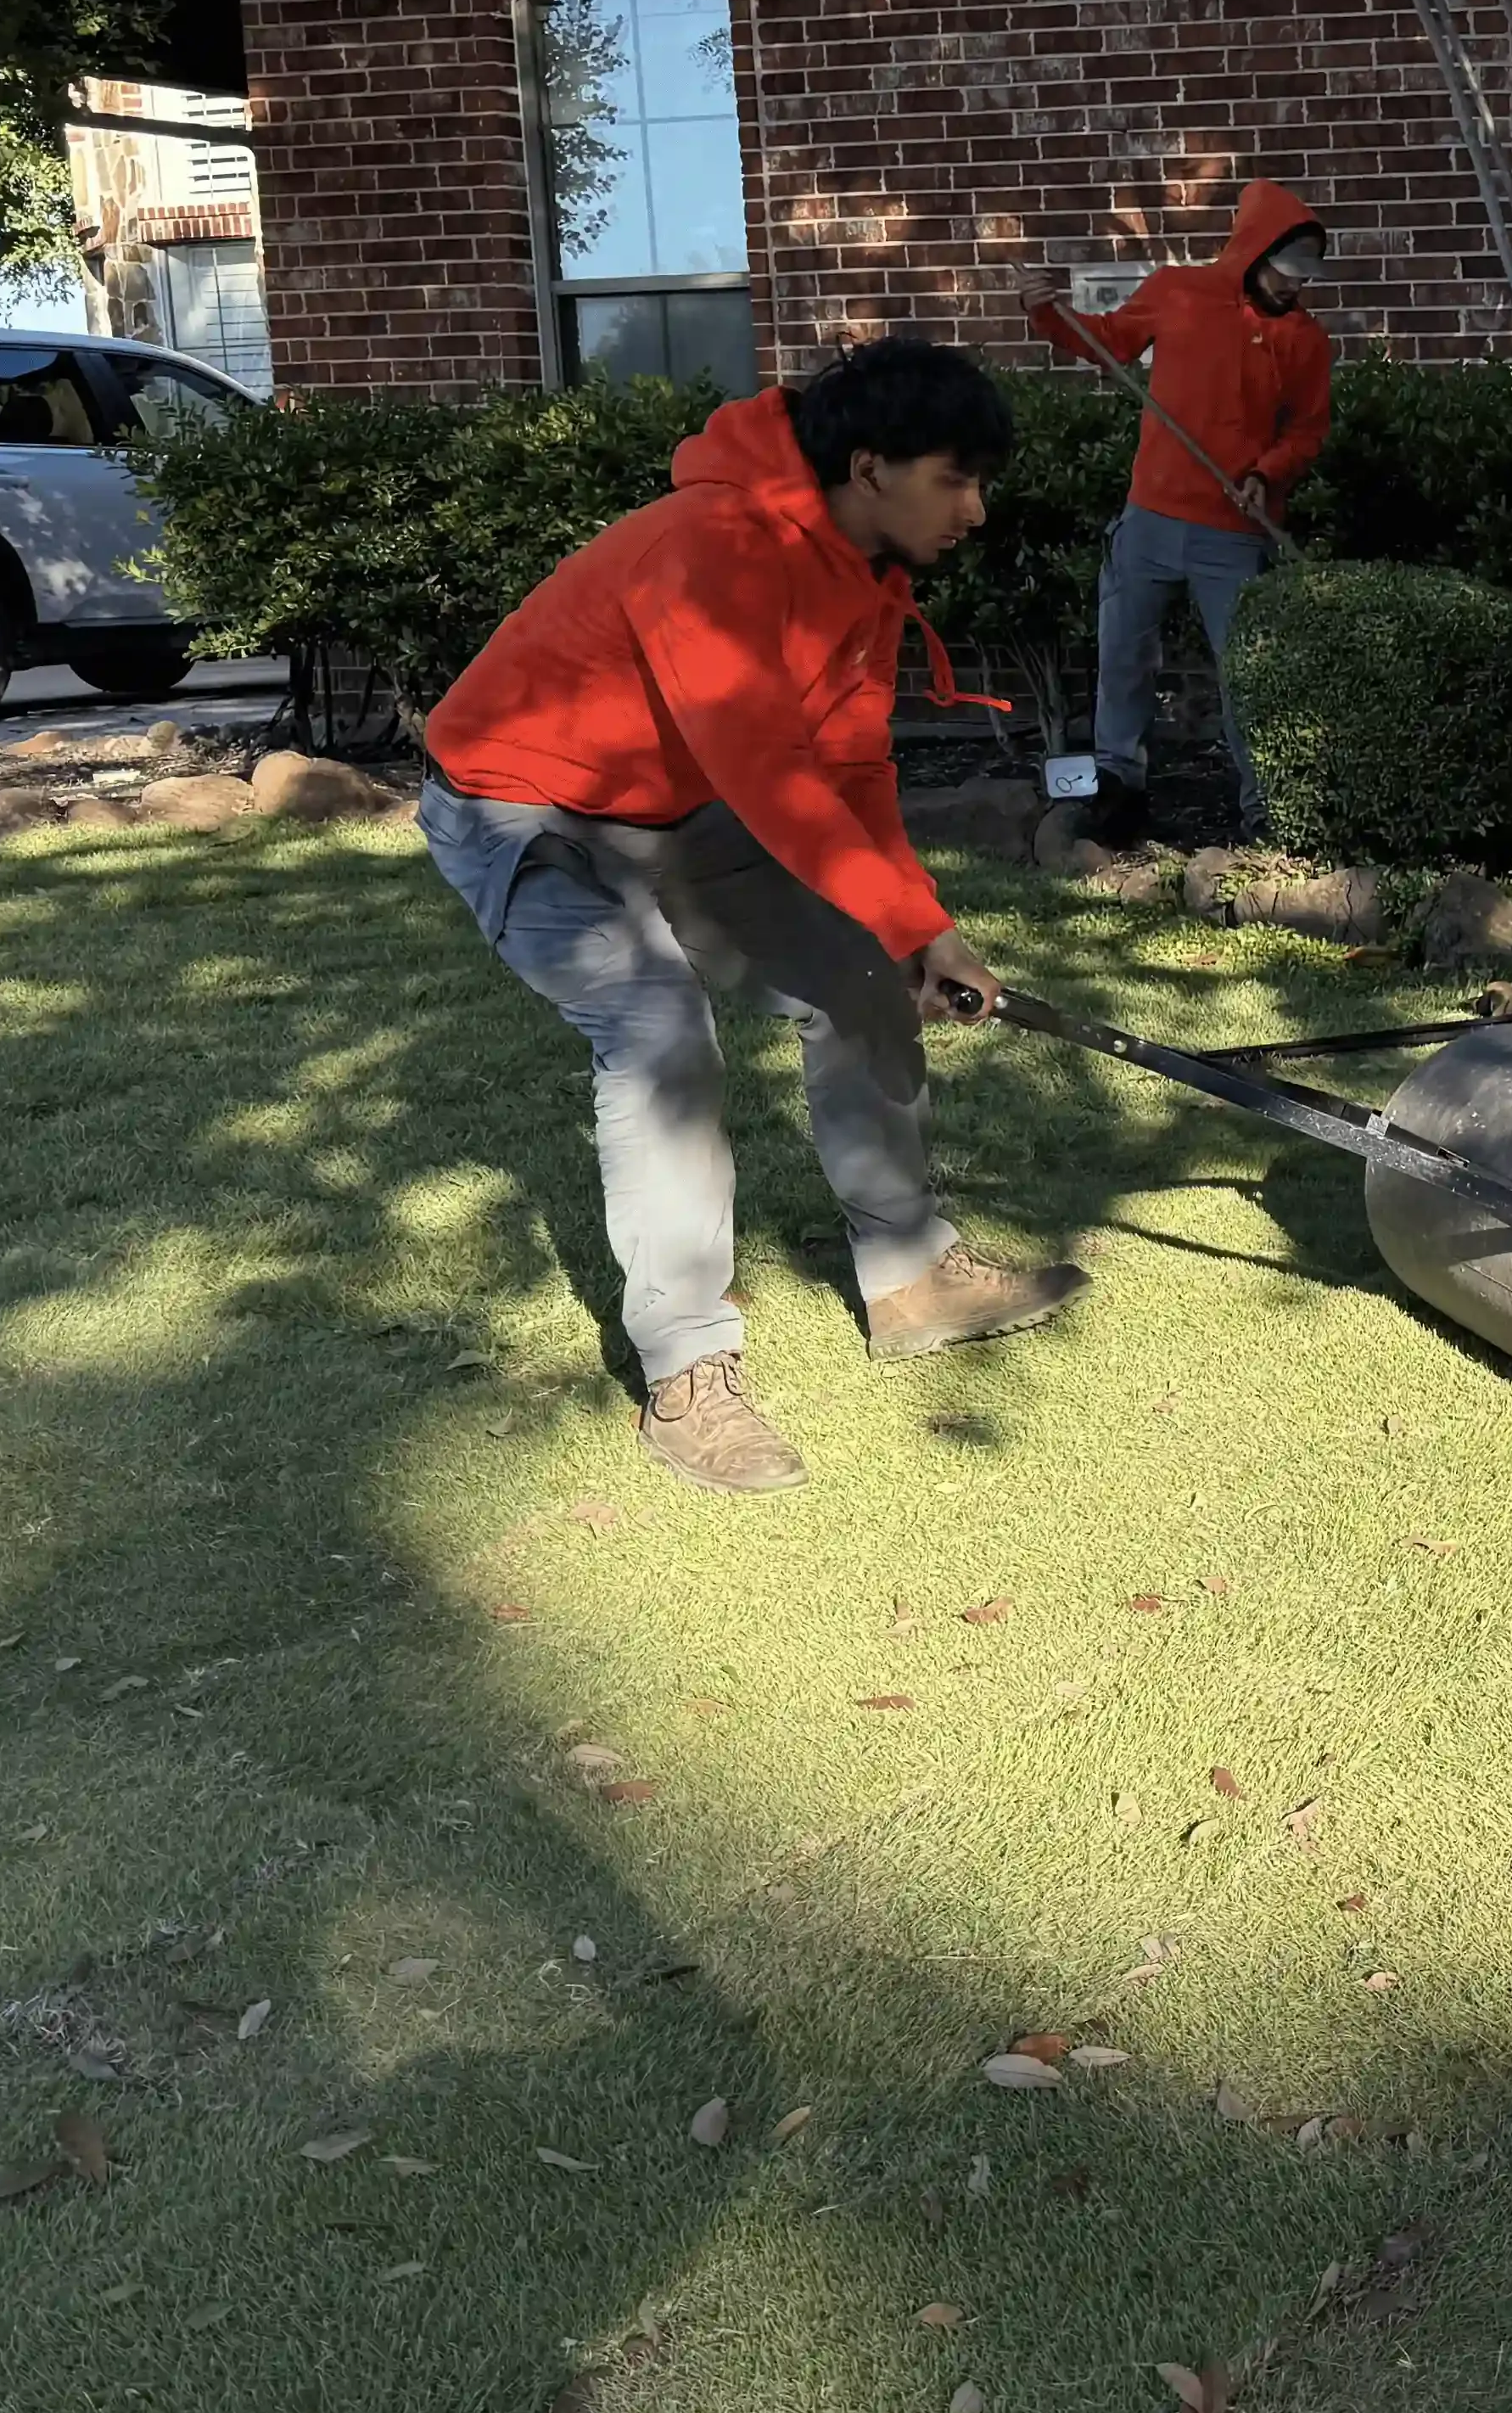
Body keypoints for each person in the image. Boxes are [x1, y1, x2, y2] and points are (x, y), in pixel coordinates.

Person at [419, 337, 1089, 1495]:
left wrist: (918, 929)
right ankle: (687, 1376)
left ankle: (912, 1277)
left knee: (861, 970)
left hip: (677, 806)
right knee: (660, 1033)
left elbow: (849, 770)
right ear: (871, 467)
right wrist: (907, 916)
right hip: (523, 812)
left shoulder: (866, 573)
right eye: (957, 479)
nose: (977, 511)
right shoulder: (711, 550)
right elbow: (774, 779)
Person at [1026, 180, 1335, 847]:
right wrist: (1051, 316)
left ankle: (1266, 814)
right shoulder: (1178, 292)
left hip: (1234, 533)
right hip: (1149, 520)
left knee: (1248, 674)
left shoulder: (1306, 341)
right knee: (1124, 657)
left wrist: (1266, 473)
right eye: (1286, 271)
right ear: (1254, 252)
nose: (1294, 287)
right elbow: (1107, 343)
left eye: (1306, 275)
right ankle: (1116, 791)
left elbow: (1307, 431)